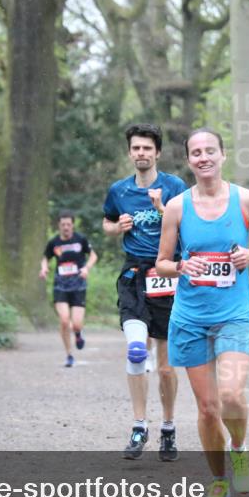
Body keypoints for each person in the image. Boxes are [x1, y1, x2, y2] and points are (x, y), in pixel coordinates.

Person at [156, 127, 249, 497]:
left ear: (222, 155)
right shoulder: (178, 207)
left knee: (231, 395)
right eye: (195, 152)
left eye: (209, 150)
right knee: (208, 408)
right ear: (189, 160)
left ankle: (240, 448)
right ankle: (217, 482)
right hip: (190, 317)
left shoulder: (245, 200)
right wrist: (181, 266)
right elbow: (161, 263)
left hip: (233, 313)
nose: (203, 157)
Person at [103, 123, 187, 460]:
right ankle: (139, 425)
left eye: (147, 149)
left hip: (166, 273)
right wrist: (116, 227)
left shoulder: (175, 186)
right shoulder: (119, 190)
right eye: (136, 148)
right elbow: (107, 222)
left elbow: (188, 226)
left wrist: (161, 209)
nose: (141, 153)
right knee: (137, 351)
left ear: (157, 153)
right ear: (129, 152)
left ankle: (168, 427)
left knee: (166, 367)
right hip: (134, 274)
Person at [40, 210, 97, 367]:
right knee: (65, 321)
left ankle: (78, 333)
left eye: (68, 224)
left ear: (72, 225)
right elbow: (45, 258)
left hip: (78, 285)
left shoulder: (81, 240)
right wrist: (44, 268)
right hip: (61, 286)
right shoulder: (54, 243)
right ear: (59, 225)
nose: (66, 227)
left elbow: (93, 256)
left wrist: (86, 268)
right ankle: (69, 354)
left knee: (76, 324)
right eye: (63, 224)